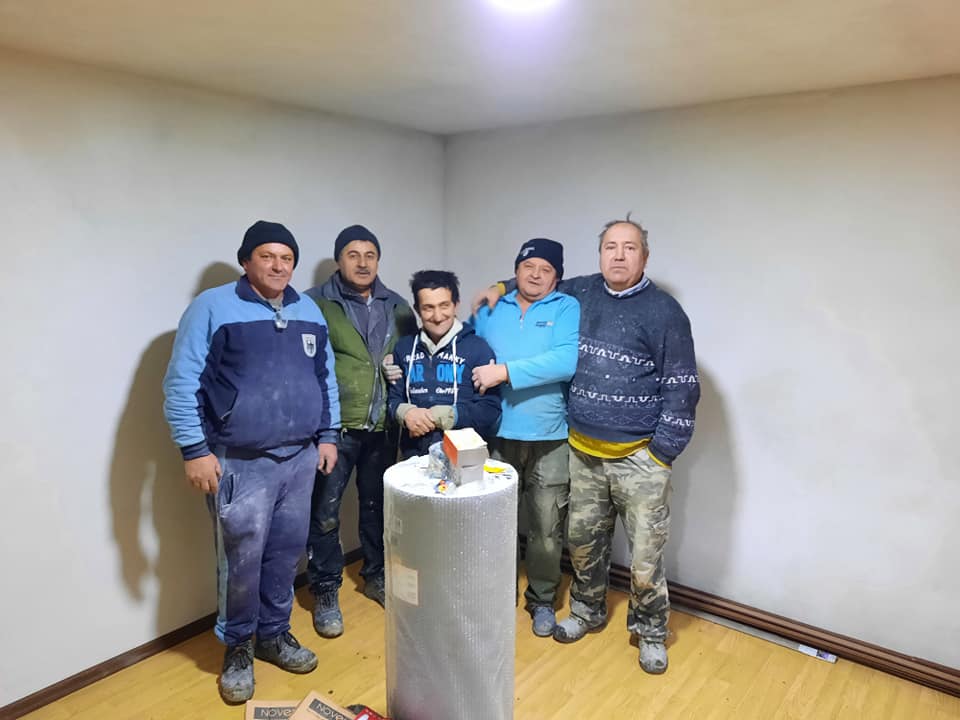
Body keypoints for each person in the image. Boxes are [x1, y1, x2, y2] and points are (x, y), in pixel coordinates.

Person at [476, 215, 699, 674]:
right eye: (610, 247)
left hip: (640, 458)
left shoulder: (665, 312)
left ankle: (650, 632)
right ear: (599, 254)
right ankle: (586, 610)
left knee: (644, 558)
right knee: (583, 544)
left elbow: (682, 387)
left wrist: (661, 452)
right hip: (583, 450)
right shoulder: (581, 292)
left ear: (644, 257)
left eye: (629, 247)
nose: (619, 255)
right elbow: (536, 276)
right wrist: (499, 286)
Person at [162, 220, 340, 703]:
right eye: (267, 256)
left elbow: (325, 379)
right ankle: (238, 646)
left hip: (300, 458)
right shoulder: (212, 307)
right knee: (240, 561)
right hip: (239, 462)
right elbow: (181, 383)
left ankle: (274, 634)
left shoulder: (308, 311)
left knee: (286, 554)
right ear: (246, 260)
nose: (279, 266)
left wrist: (328, 436)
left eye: (287, 258)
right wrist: (195, 450)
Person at [304, 224, 416, 639]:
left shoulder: (398, 306)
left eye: (370, 255)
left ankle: (376, 575)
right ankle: (325, 590)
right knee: (325, 513)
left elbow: (412, 357)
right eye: (353, 254)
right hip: (334, 430)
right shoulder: (314, 304)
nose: (363, 262)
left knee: (377, 507)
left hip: (383, 426)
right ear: (339, 260)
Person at [471, 238, 580, 637]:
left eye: (545, 269)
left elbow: (565, 361)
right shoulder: (491, 307)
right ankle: (492, 594)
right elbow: (467, 351)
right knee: (491, 523)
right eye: (528, 267)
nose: (535, 275)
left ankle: (542, 600)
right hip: (496, 435)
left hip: (550, 437)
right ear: (515, 270)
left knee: (546, 527)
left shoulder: (566, 307)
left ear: (557, 277)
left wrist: (505, 372)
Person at [387, 270, 501, 459]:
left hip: (464, 457)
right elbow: (393, 399)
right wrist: (404, 413)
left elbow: (491, 409)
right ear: (417, 309)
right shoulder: (404, 348)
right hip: (414, 455)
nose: (438, 316)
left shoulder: (478, 349)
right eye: (428, 308)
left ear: (456, 305)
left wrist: (451, 415)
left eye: (444, 305)